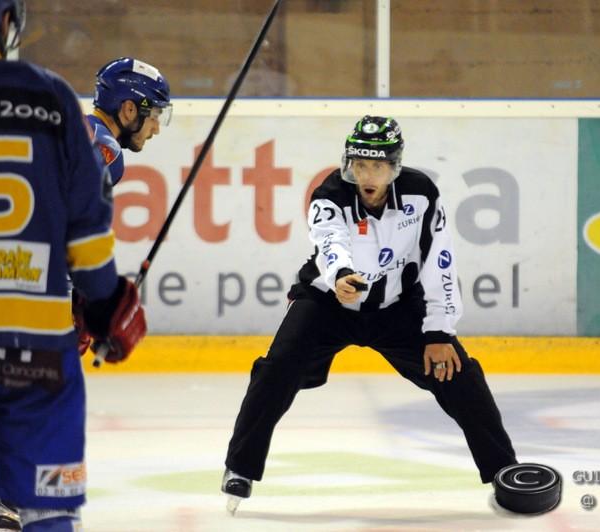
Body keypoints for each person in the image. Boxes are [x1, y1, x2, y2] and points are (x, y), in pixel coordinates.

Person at [221, 115, 518, 513]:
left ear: (394, 166)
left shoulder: (422, 194)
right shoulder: (329, 192)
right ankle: (239, 469)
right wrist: (341, 273)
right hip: (329, 303)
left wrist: (439, 332)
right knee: (277, 369)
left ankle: (506, 473)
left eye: (377, 165)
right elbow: (329, 240)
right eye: (360, 164)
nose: (367, 174)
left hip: (398, 308)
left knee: (458, 374)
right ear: (349, 164)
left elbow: (438, 263)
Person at [0, 2, 147, 531]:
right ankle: (11, 502)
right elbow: (81, 232)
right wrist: (102, 301)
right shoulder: (49, 99)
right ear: (5, 25)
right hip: (22, 311)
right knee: (48, 483)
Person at [88, 56, 172, 186]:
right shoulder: (108, 150)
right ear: (130, 109)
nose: (156, 130)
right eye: (154, 117)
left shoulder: (78, 125)